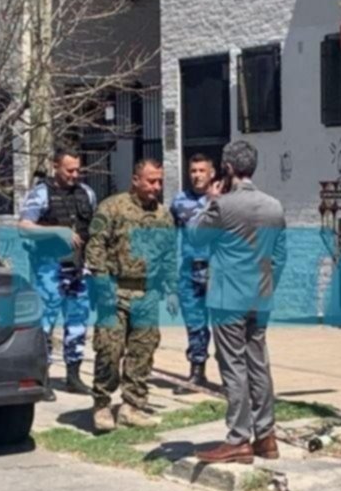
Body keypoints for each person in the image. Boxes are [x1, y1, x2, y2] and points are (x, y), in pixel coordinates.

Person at [192, 140, 287, 464]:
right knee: (258, 363)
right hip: (260, 296)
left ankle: (237, 438)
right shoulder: (274, 206)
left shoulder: (224, 206)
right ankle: (266, 436)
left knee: (233, 366)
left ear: (229, 169)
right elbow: (280, 255)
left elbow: (196, 237)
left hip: (227, 296)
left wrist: (211, 200)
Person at [85, 159, 177, 433]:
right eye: (151, 181)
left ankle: (132, 406)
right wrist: (103, 287)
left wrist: (171, 291)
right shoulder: (112, 208)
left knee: (142, 351)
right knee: (110, 350)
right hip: (114, 290)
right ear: (135, 180)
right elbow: (95, 248)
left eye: (159, 181)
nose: (156, 187)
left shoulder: (164, 217)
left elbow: (170, 255)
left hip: (147, 292)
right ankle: (102, 404)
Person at [19, 149, 97, 399]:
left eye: (77, 170)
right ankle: (42, 378)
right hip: (49, 267)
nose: (75, 174)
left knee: (78, 320)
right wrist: (57, 232)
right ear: (56, 167)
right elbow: (24, 226)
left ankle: (73, 375)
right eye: (69, 170)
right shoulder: (41, 193)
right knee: (46, 322)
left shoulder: (87, 194)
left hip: (78, 267)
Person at [170, 153, 215, 389]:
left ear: (212, 173)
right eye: (193, 171)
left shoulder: (222, 200)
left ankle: (232, 376)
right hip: (189, 272)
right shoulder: (179, 202)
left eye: (201, 170)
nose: (197, 175)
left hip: (217, 272)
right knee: (194, 324)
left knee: (224, 325)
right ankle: (197, 371)